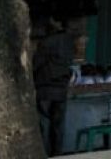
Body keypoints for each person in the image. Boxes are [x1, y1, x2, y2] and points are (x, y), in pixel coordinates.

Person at [33, 18, 77, 155]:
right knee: (58, 126)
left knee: (44, 125)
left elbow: (36, 65)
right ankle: (56, 154)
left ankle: (42, 153)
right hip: (61, 90)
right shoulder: (68, 41)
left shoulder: (46, 43)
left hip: (45, 89)